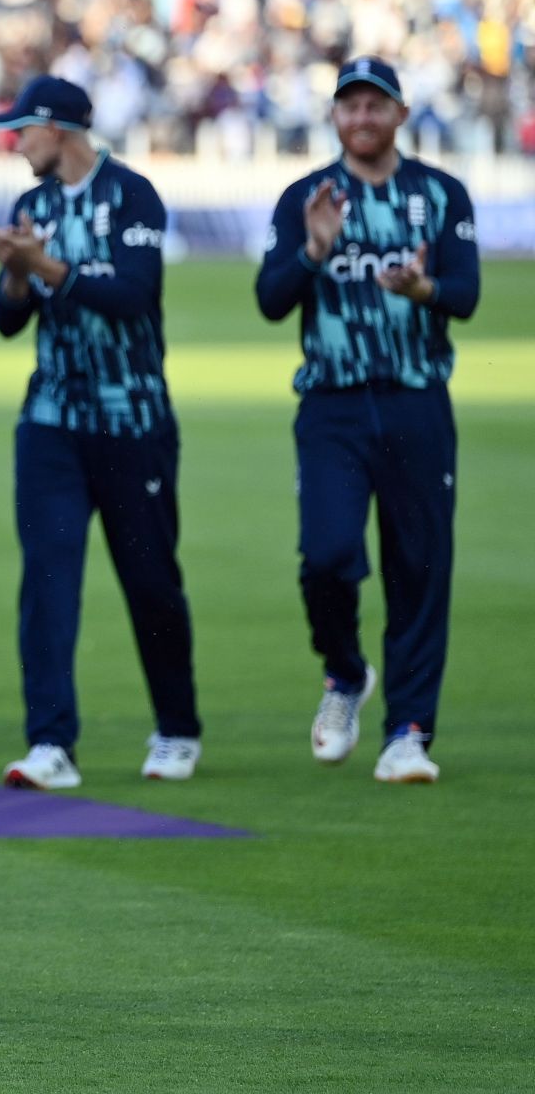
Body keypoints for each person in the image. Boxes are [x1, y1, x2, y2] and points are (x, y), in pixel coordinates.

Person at [255, 57, 480, 785]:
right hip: (333, 405)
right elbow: (270, 298)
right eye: (349, 106)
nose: (362, 118)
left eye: (375, 105)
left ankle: (409, 732)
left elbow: (467, 294)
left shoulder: (439, 195)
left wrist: (425, 289)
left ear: (400, 115)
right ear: (334, 117)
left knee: (419, 565)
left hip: (416, 400)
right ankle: (346, 673)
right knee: (325, 556)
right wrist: (315, 248)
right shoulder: (306, 197)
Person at [0, 76, 202, 791]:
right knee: (47, 580)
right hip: (50, 422)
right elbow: (8, 319)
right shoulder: (31, 205)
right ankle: (50, 743)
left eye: (25, 130)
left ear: (60, 129)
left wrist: (41, 265)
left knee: (150, 580)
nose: (15, 142)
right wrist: (17, 278)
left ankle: (176, 728)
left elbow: (133, 295)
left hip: (132, 420)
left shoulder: (133, 195)